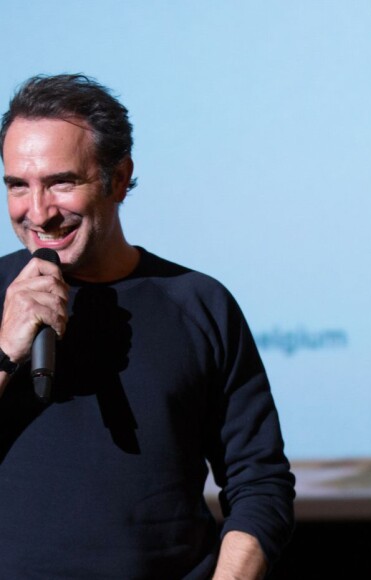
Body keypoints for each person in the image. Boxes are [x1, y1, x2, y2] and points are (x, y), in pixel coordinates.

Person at [0, 74, 295, 578]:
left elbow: (259, 482)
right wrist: (5, 350)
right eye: (17, 187)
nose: (39, 212)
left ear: (118, 178)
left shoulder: (198, 303)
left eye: (61, 182)